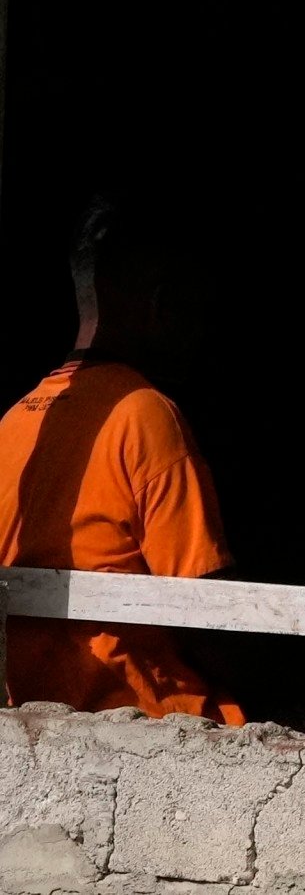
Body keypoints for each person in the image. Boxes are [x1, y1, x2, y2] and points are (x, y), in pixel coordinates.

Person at [0, 197, 237, 719]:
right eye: (197, 312)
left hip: (35, 725)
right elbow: (208, 616)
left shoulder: (16, 422)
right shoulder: (146, 415)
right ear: (159, 306)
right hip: (152, 729)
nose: (202, 337)